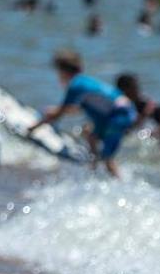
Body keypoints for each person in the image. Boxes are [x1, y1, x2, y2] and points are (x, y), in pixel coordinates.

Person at [29, 50, 136, 178]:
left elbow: (60, 113)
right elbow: (79, 107)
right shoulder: (84, 81)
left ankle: (119, 183)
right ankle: (94, 170)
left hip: (119, 116)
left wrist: (33, 128)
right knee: (90, 135)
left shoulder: (75, 86)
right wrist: (57, 110)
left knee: (108, 157)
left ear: (62, 71)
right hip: (118, 112)